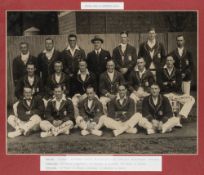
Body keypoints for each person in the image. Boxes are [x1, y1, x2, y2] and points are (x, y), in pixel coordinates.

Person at [157, 56, 195, 126]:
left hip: (176, 94)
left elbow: (178, 84)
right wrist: (172, 83)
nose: (169, 62)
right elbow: (160, 84)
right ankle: (173, 121)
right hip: (165, 94)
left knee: (191, 99)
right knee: (167, 101)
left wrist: (167, 83)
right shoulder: (160, 71)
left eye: (170, 60)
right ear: (165, 62)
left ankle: (179, 117)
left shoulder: (177, 71)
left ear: (173, 61)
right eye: (167, 60)